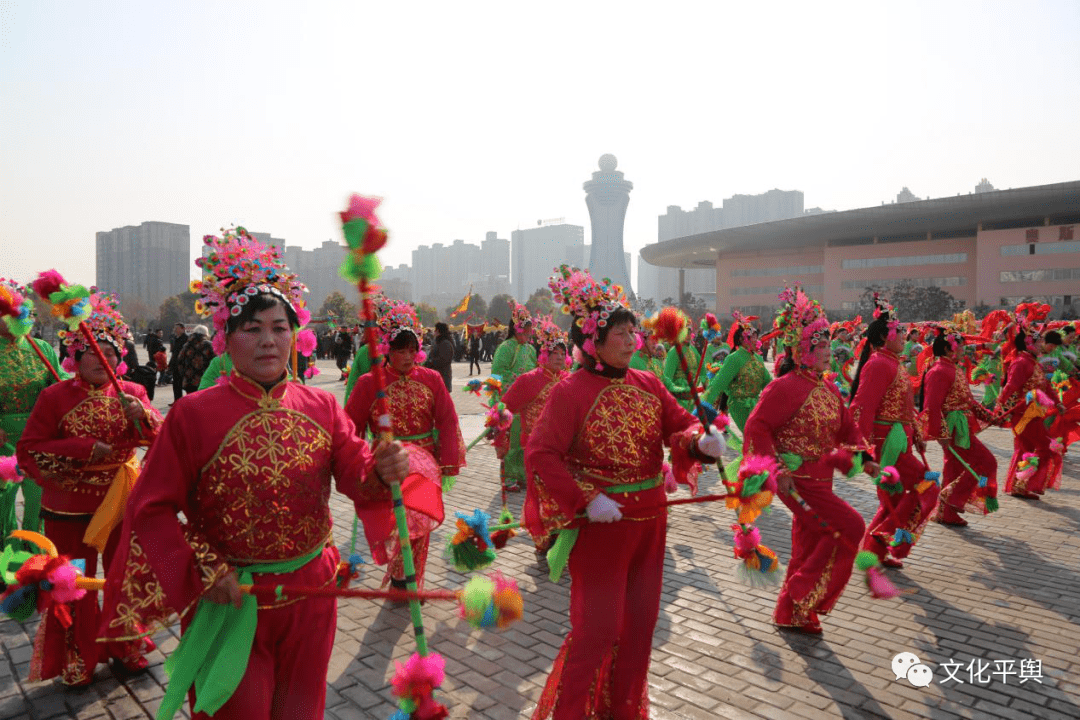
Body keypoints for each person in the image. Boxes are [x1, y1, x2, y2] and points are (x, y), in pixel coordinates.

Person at [100, 227, 408, 720]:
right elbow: (150, 510)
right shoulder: (192, 416)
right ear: (226, 337)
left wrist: (382, 467)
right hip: (230, 599)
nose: (268, 341)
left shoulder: (322, 405)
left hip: (312, 594)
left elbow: (356, 472)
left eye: (279, 327)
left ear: (296, 334)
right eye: (253, 328)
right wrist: (201, 567)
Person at [526, 267, 722, 720]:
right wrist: (585, 499)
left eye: (633, 330)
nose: (632, 339)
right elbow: (541, 453)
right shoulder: (571, 391)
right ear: (593, 340)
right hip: (602, 524)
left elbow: (681, 425)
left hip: (652, 523)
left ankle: (625, 710)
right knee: (597, 630)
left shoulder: (649, 384)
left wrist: (701, 443)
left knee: (639, 628)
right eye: (621, 332)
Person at [17, 292, 163, 685]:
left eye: (111, 354)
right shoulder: (54, 396)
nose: (104, 361)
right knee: (75, 582)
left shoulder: (132, 393)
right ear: (75, 358)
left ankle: (125, 645)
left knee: (123, 578)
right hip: (69, 510)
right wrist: (82, 450)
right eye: (93, 354)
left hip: (120, 502)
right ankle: (78, 654)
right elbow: (29, 450)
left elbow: (162, 440)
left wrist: (145, 417)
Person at [742, 287, 878, 635]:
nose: (827, 353)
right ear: (802, 350)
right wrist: (778, 470)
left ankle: (791, 612)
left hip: (822, 479)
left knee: (810, 542)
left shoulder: (829, 387)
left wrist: (866, 460)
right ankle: (802, 594)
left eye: (827, 346)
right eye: (819, 347)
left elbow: (848, 426)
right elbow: (757, 426)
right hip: (797, 481)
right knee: (848, 527)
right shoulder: (784, 387)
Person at [346, 301, 463, 591]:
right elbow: (351, 426)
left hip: (425, 464)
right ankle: (402, 575)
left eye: (413, 349)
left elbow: (447, 421)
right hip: (386, 466)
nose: (409, 356)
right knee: (395, 524)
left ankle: (408, 580)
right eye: (401, 350)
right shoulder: (368, 383)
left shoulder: (431, 379)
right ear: (388, 350)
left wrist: (448, 463)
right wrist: (356, 464)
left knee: (418, 526)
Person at [849, 294, 937, 569]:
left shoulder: (893, 363)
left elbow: (905, 407)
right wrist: (863, 453)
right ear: (885, 336)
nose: (904, 334)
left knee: (894, 499)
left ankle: (873, 553)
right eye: (899, 330)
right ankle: (887, 537)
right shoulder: (878, 364)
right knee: (928, 486)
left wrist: (918, 435)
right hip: (886, 445)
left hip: (901, 441)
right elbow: (862, 407)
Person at [0, 278, 64, 548]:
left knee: (37, 503)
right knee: (3, 503)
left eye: (17, 313)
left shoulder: (43, 349)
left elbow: (60, 388)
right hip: (2, 440)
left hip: (37, 439)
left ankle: (34, 555)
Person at [504, 318, 570, 557]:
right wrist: (497, 425)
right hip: (538, 449)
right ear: (544, 355)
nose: (559, 357)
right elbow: (506, 406)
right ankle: (544, 537)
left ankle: (563, 534)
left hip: (565, 449)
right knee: (542, 494)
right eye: (554, 353)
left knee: (562, 493)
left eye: (562, 353)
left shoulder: (569, 379)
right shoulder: (529, 380)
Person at [920, 327, 999, 525]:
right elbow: (932, 406)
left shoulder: (955, 368)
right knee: (987, 463)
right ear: (948, 349)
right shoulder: (938, 371)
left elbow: (969, 401)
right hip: (953, 428)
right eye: (961, 346)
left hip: (962, 425)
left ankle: (945, 512)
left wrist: (989, 416)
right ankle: (951, 498)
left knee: (954, 469)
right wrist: (942, 433)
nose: (964, 349)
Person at [997, 311, 1064, 498]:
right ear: (1029, 344)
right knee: (1044, 446)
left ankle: (1019, 485)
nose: (1041, 345)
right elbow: (1010, 387)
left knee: (1025, 449)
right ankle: (1026, 484)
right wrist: (999, 407)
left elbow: (1046, 386)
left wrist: (1057, 403)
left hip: (1034, 414)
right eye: (1038, 342)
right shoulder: (1021, 363)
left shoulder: (1034, 363)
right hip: (1023, 415)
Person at [491, 303, 537, 492]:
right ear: (516, 328)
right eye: (525, 329)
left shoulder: (530, 349)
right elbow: (497, 373)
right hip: (509, 402)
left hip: (528, 405)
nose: (528, 333)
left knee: (525, 441)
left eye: (529, 329)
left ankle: (523, 475)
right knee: (510, 442)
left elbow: (535, 371)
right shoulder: (506, 348)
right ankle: (509, 477)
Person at [704, 310, 768, 432]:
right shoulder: (734, 358)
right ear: (744, 339)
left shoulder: (758, 358)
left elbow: (768, 383)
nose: (757, 340)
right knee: (753, 436)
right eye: (753, 337)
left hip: (755, 404)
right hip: (739, 405)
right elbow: (719, 384)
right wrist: (705, 408)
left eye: (756, 336)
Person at [176, 325, 215, 394]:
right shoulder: (209, 345)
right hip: (205, 381)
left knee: (191, 401)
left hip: (189, 381)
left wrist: (185, 374)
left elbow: (179, 361)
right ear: (206, 334)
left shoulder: (187, 345)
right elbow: (215, 362)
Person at [424, 321, 454, 391]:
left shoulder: (445, 343)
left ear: (438, 331)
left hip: (443, 376)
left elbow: (443, 360)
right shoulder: (439, 342)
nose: (434, 332)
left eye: (435, 330)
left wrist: (430, 362)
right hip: (437, 376)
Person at [168, 322, 188, 403]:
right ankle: (177, 400)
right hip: (175, 365)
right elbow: (174, 353)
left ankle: (186, 400)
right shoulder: (175, 338)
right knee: (176, 384)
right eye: (174, 328)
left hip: (183, 365)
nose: (175, 330)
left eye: (177, 328)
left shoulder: (186, 338)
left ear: (183, 329)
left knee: (185, 384)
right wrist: (170, 364)